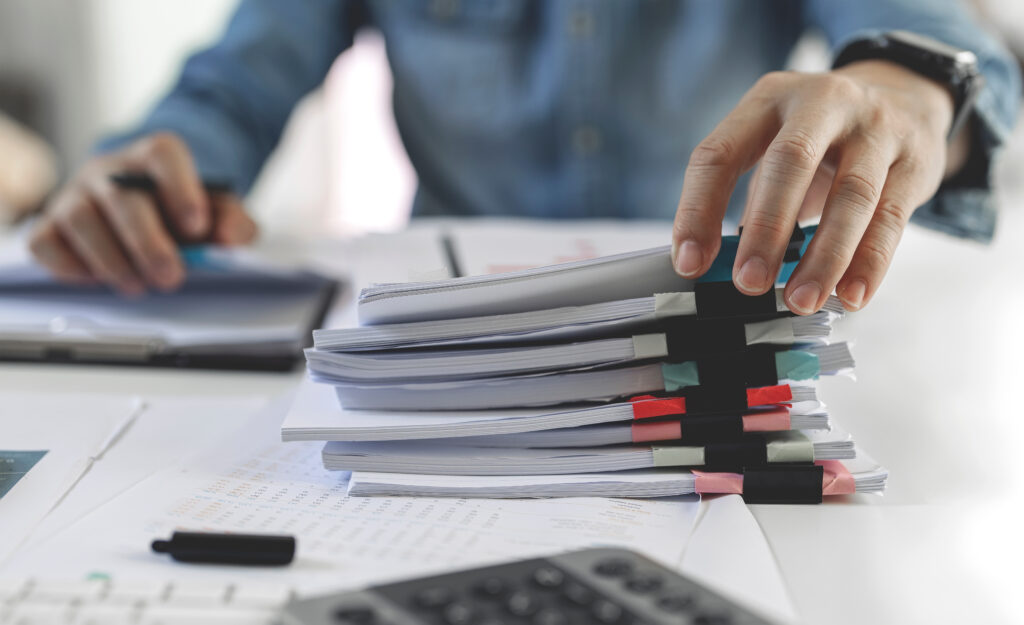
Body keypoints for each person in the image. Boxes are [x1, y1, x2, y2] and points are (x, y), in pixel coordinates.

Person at [28, 0, 1020, 313]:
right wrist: (146, 174)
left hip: (713, 321)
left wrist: (910, 95)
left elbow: (940, 48)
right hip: (438, 339)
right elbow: (230, 89)